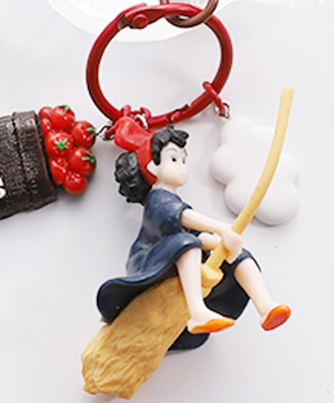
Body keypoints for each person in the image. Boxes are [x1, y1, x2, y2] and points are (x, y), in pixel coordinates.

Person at [96, 124, 290, 350]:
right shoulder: (157, 200)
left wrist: (224, 245)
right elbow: (185, 220)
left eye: (183, 160)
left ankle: (266, 306)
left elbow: (199, 236)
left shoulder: (176, 201)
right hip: (148, 261)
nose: (182, 167)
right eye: (174, 160)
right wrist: (223, 229)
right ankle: (197, 312)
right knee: (188, 244)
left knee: (235, 253)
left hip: (177, 255)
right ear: (152, 167)